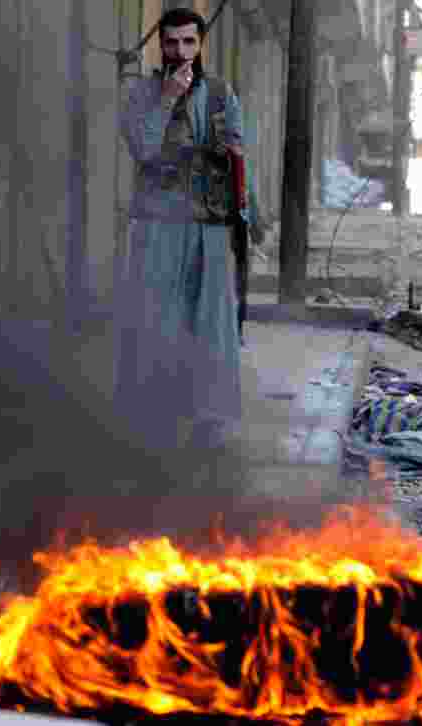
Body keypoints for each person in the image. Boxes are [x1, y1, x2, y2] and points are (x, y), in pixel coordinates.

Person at [117, 8, 247, 449]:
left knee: (213, 320)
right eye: (172, 43)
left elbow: (236, 152)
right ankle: (153, 416)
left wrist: (246, 213)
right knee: (155, 316)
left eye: (189, 42)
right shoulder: (141, 94)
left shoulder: (221, 94)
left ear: (201, 43)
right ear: (161, 45)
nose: (180, 51)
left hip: (209, 224)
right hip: (159, 222)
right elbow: (144, 149)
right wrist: (168, 99)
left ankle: (210, 420)